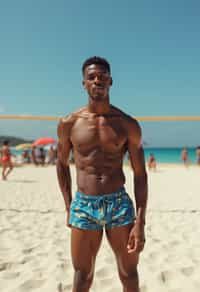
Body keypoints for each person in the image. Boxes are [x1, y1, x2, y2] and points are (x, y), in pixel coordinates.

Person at [56, 56, 148, 292]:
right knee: (82, 275)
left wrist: (141, 221)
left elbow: (140, 174)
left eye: (102, 76)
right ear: (84, 83)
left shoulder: (127, 124)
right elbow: (62, 164)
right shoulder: (69, 123)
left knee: (129, 274)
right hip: (84, 204)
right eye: (92, 77)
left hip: (119, 203)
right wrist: (68, 206)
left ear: (110, 81)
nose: (97, 80)